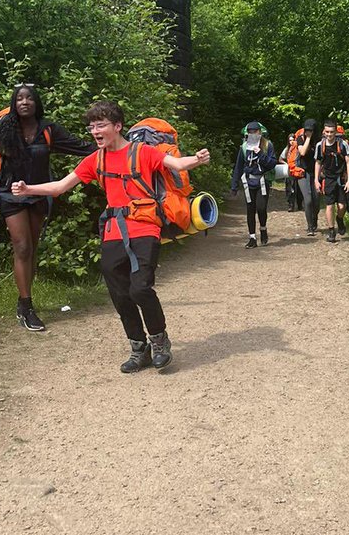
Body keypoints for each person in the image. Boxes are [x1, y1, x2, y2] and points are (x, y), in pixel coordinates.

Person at [11, 101, 211, 375]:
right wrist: (27, 189)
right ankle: (138, 347)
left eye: (101, 125)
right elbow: (60, 186)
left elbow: (176, 163)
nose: (94, 131)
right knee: (119, 293)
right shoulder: (96, 159)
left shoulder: (142, 152)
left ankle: (159, 340)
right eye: (91, 126)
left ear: (117, 126)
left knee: (139, 288)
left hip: (145, 227)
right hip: (114, 231)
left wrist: (196, 160)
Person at [0, 84, 91, 333]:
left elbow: (80, 147)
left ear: (36, 103)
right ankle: (26, 306)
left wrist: (113, 148)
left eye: (29, 98)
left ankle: (24, 304)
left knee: (31, 247)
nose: (24, 102)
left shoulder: (48, 129)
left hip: (38, 193)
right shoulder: (5, 126)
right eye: (19, 98)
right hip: (11, 194)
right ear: (14, 103)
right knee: (22, 246)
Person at [230, 121, 277, 248]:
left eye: (255, 132)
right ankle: (252, 238)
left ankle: (263, 229)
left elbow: (272, 163)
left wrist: (260, 154)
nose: (252, 135)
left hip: (262, 181)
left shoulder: (267, 145)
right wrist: (234, 185)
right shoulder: (244, 147)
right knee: (250, 209)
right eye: (250, 132)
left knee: (261, 208)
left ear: (260, 132)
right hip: (248, 182)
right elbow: (238, 167)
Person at [314, 118, 349, 244]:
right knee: (329, 205)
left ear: (336, 132)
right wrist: (316, 179)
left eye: (332, 132)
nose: (329, 134)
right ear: (324, 132)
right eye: (327, 132)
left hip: (341, 178)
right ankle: (331, 231)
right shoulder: (320, 146)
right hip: (328, 179)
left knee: (342, 206)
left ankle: (339, 219)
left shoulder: (343, 144)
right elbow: (318, 162)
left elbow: (348, 162)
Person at [292, 119, 320, 236]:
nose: (308, 131)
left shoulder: (319, 140)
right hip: (302, 172)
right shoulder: (300, 138)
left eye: (311, 130)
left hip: (315, 172)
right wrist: (308, 138)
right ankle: (310, 227)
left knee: (316, 201)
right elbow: (302, 152)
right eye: (307, 129)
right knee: (308, 200)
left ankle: (314, 220)